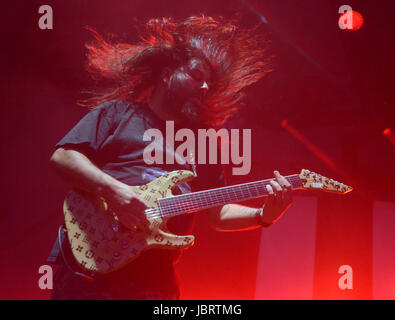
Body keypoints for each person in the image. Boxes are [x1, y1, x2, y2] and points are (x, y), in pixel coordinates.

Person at [49, 15, 293, 300]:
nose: (204, 88)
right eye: (196, 76)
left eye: (208, 83)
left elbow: (218, 212)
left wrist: (263, 216)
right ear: (167, 75)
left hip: (153, 279)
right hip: (91, 264)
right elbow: (63, 157)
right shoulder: (117, 114)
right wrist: (112, 190)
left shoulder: (204, 143)